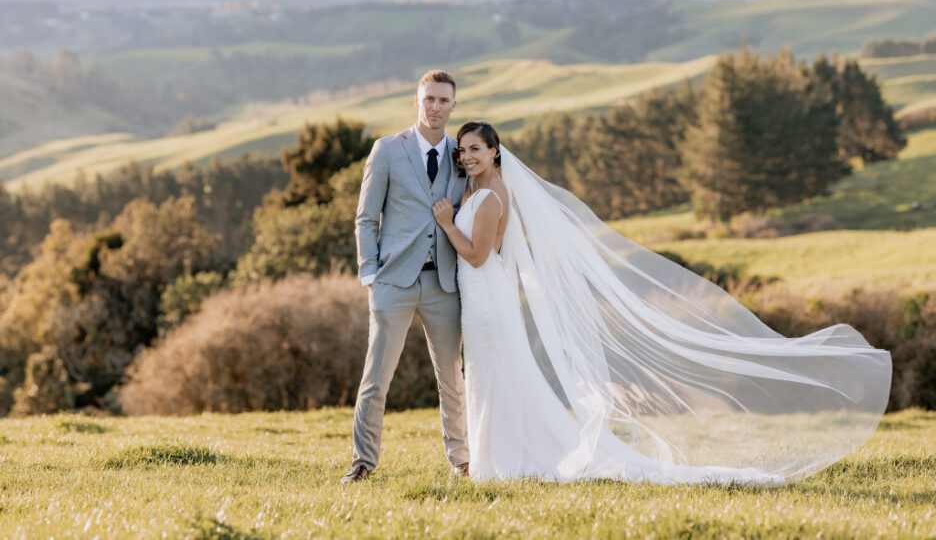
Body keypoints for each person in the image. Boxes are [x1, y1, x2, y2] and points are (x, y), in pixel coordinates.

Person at [431, 120, 892, 484]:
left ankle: (502, 462)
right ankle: (494, 459)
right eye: (463, 149)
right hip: (481, 303)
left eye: (477, 148)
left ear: (495, 152)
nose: (468, 156)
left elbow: (477, 255)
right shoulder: (477, 192)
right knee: (492, 379)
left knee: (494, 378)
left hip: (488, 302)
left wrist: (449, 224)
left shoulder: (490, 197)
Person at [342, 70, 469, 484]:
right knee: (376, 378)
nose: (435, 107)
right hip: (393, 281)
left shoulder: (461, 155)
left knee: (452, 379)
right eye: (428, 98)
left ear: (453, 106)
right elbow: (365, 218)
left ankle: (461, 461)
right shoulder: (386, 151)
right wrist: (369, 274)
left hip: (444, 283)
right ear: (416, 102)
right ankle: (363, 463)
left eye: (443, 101)